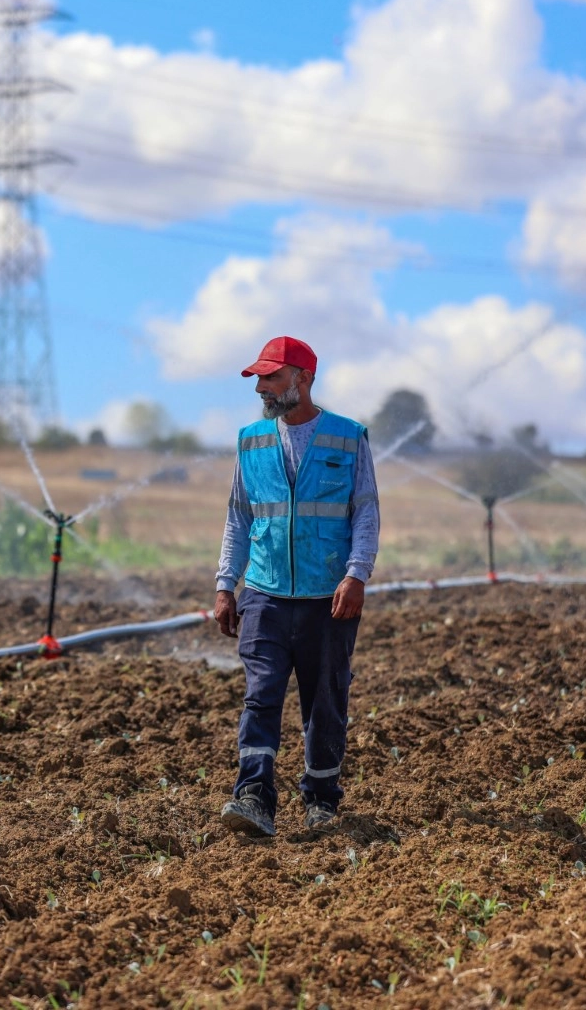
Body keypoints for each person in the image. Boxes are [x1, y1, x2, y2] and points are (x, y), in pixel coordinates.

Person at [214, 335, 379, 837]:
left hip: (326, 596)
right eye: (259, 378)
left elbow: (365, 511)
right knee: (260, 695)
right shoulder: (252, 440)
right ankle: (254, 797)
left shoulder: (348, 437)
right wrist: (226, 585)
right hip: (264, 593)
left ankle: (321, 801)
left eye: (271, 377)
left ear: (303, 379)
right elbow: (239, 518)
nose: (262, 387)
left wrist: (356, 575)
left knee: (324, 700)